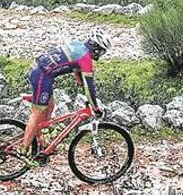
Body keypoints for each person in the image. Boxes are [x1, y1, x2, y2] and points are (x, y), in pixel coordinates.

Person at [16, 29, 113, 167]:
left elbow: (74, 68)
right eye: (102, 51)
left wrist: (80, 80)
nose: (102, 55)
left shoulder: (78, 45)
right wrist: (95, 107)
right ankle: (23, 149)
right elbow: (89, 88)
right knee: (37, 113)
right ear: (96, 47)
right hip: (42, 76)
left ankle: (41, 141)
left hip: (40, 71)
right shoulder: (85, 58)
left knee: (50, 105)